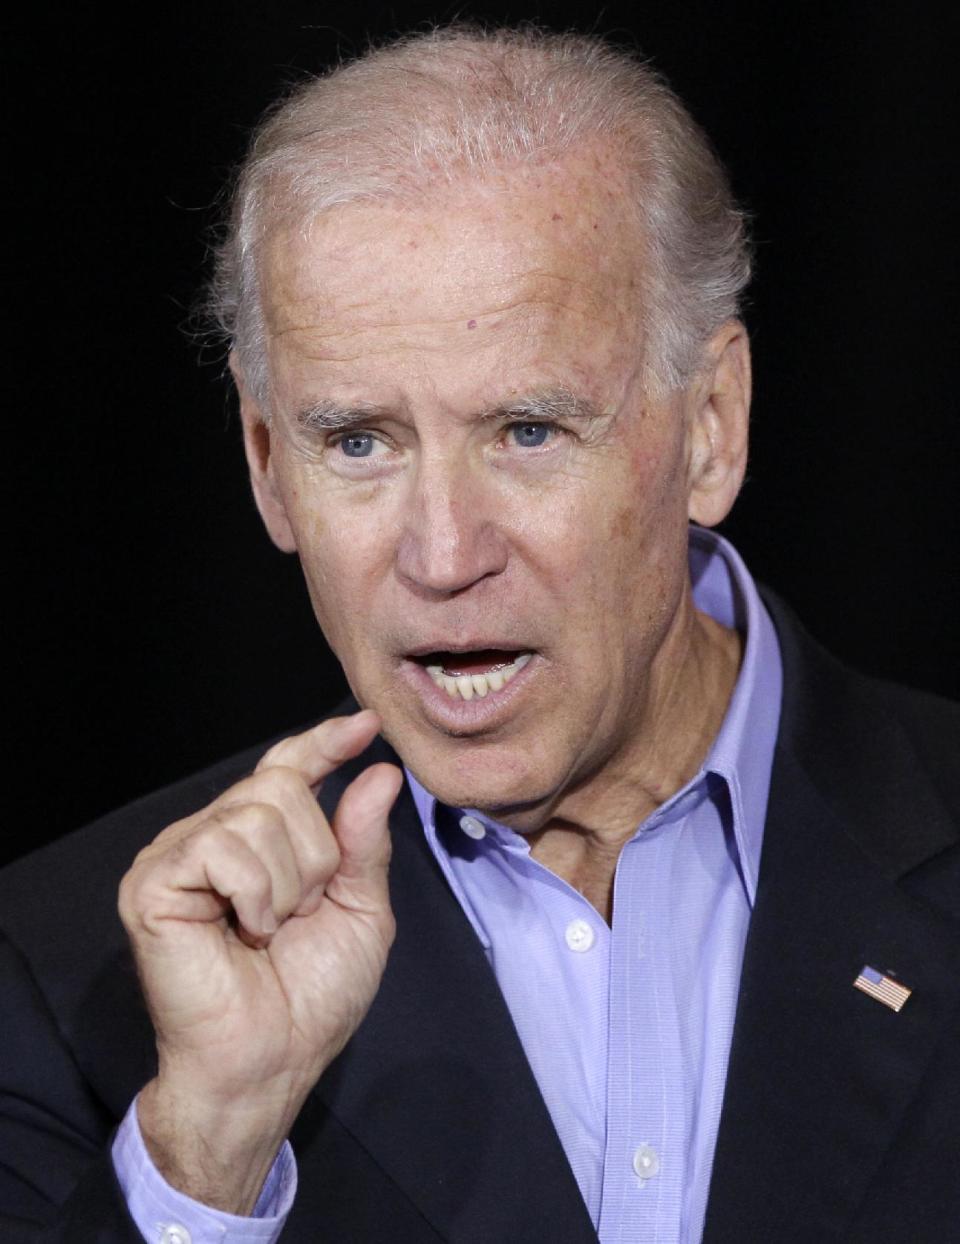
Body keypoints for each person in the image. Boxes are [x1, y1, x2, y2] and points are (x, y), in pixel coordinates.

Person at [1, 24, 957, 1244]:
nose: (445, 555)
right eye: (358, 441)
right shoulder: (65, 978)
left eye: (527, 431)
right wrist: (209, 1154)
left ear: (712, 424)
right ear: (266, 466)